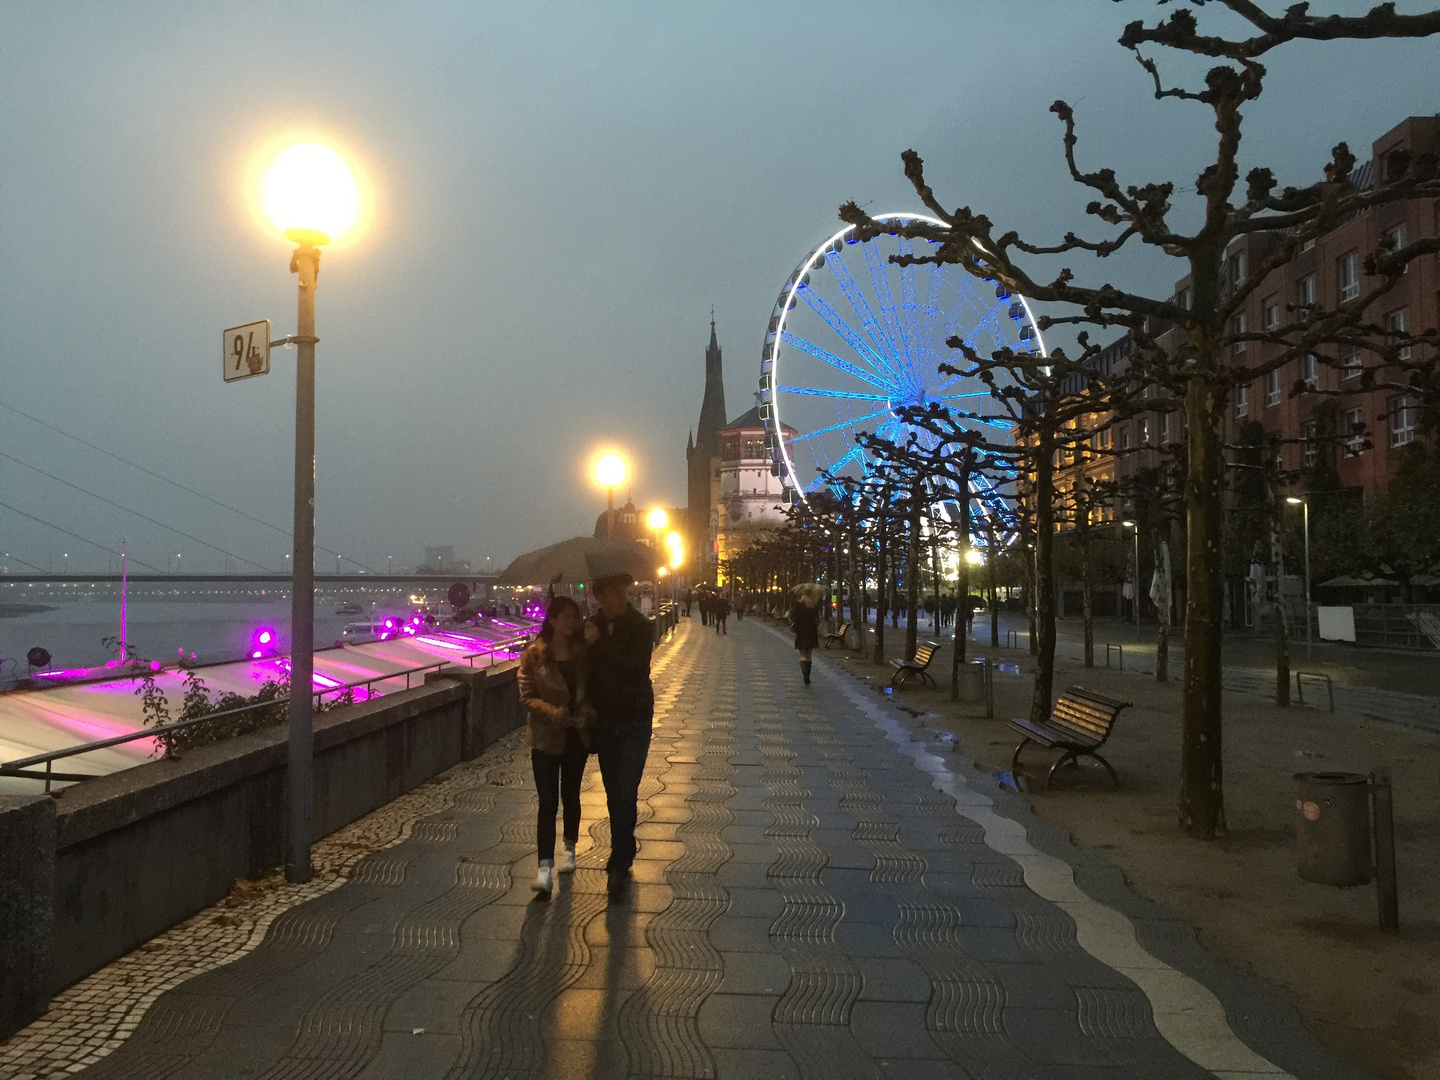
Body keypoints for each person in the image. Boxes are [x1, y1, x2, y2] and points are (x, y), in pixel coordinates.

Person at [517, 595, 594, 895]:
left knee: (571, 794)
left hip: (577, 735)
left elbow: (592, 691)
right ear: (552, 620)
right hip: (546, 737)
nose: (572, 621)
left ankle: (570, 849)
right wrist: (553, 712)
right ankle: (544, 869)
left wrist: (586, 713)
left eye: (574, 616)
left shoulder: (583, 653)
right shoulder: (534, 655)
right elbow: (527, 695)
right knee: (547, 802)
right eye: (565, 616)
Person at [584, 573, 654, 898]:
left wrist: (601, 644)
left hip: (635, 717)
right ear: (598, 595)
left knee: (627, 790)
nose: (621, 597)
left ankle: (617, 860)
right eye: (613, 592)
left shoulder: (640, 625)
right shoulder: (589, 626)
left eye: (624, 591)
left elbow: (636, 669)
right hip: (605, 721)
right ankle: (624, 851)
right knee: (614, 793)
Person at [790, 583, 822, 685]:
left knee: (803, 654)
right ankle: (808, 675)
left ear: (805, 596)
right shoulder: (815, 607)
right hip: (812, 633)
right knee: (809, 654)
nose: (801, 596)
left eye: (802, 595)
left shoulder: (799, 607)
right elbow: (817, 620)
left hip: (801, 632)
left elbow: (794, 618)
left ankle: (805, 676)